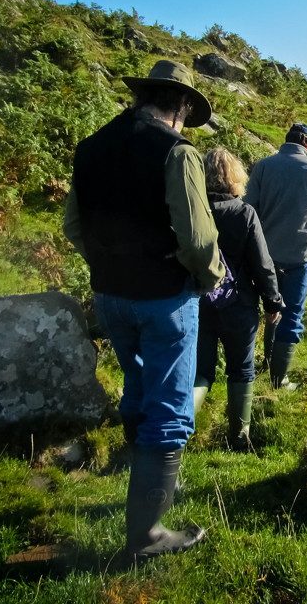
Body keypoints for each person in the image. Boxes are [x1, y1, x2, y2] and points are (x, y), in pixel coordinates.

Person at [63, 59, 223, 560]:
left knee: (136, 378)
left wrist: (109, 264)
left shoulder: (91, 148)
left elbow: (74, 225)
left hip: (109, 294)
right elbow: (198, 239)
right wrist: (209, 277)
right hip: (164, 297)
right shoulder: (177, 153)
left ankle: (129, 468)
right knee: (172, 409)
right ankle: (147, 534)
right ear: (179, 106)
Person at [244, 122, 307, 390]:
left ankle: (266, 363)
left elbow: (248, 208)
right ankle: (280, 378)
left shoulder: (264, 166)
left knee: (270, 307)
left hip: (264, 254)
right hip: (299, 256)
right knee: (292, 313)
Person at [193, 147, 283, 451]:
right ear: (235, 176)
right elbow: (263, 263)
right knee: (242, 368)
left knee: (200, 370)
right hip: (239, 304)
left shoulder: (193, 211)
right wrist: (273, 302)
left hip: (198, 302)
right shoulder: (244, 213)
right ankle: (239, 436)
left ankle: (179, 432)